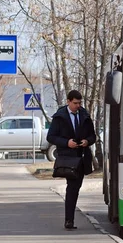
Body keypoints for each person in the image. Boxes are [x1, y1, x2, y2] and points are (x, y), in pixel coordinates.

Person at [47, 90, 96, 230]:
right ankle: (69, 220)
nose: (78, 106)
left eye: (80, 103)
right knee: (72, 188)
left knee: (75, 188)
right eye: (75, 103)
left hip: (81, 158)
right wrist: (66, 143)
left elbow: (93, 136)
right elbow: (51, 137)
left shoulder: (85, 115)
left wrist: (87, 141)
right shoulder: (60, 117)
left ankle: (70, 219)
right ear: (68, 101)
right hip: (67, 158)